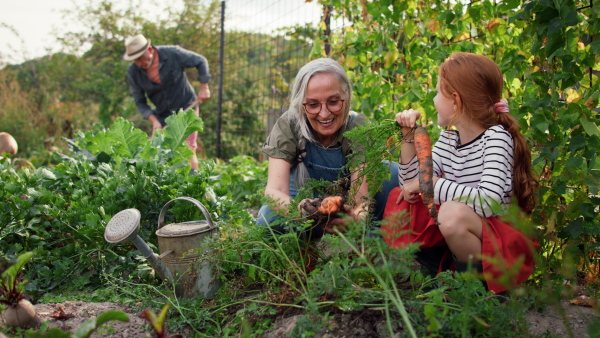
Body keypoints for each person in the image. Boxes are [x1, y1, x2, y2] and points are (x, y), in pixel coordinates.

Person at [381, 52, 538, 294]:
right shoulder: (450, 139)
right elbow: (410, 185)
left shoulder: (496, 138)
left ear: (455, 100)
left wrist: (432, 184)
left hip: (502, 246)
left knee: (452, 213)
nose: (433, 100)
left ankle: (479, 294)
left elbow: (489, 202)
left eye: (436, 92)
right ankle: (447, 276)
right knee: (403, 202)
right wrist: (408, 136)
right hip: (474, 238)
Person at [257, 57, 398, 238]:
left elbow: (361, 200)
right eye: (313, 104)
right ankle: (306, 248)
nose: (324, 114)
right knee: (267, 220)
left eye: (333, 102)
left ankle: (367, 247)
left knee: (391, 172)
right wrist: (301, 212)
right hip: (303, 198)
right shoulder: (289, 125)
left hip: (345, 204)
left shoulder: (358, 127)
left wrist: (354, 220)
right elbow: (274, 191)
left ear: (346, 98)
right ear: (301, 104)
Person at [124, 34, 211, 171]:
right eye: (135, 60)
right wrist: (155, 122)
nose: (140, 62)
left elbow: (200, 61)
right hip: (163, 114)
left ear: (150, 50)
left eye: (141, 57)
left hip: (187, 107)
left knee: (187, 150)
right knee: (158, 154)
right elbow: (140, 101)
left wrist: (204, 88)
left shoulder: (172, 53)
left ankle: (194, 187)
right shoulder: (133, 72)